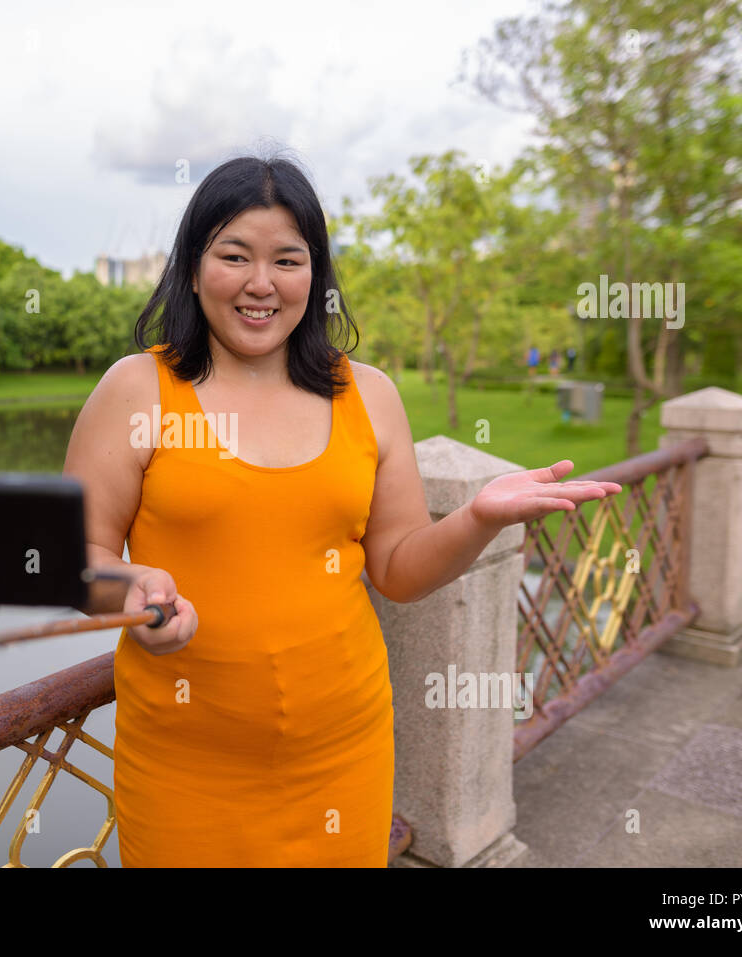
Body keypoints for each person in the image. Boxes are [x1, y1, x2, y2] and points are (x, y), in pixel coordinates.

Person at [62, 151, 622, 867]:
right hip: (185, 761)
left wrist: (478, 518)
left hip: (343, 752)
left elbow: (395, 567)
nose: (260, 283)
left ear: (316, 274)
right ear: (194, 264)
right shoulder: (137, 389)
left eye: (287, 260)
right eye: (234, 255)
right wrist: (130, 590)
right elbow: (77, 560)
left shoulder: (369, 394)